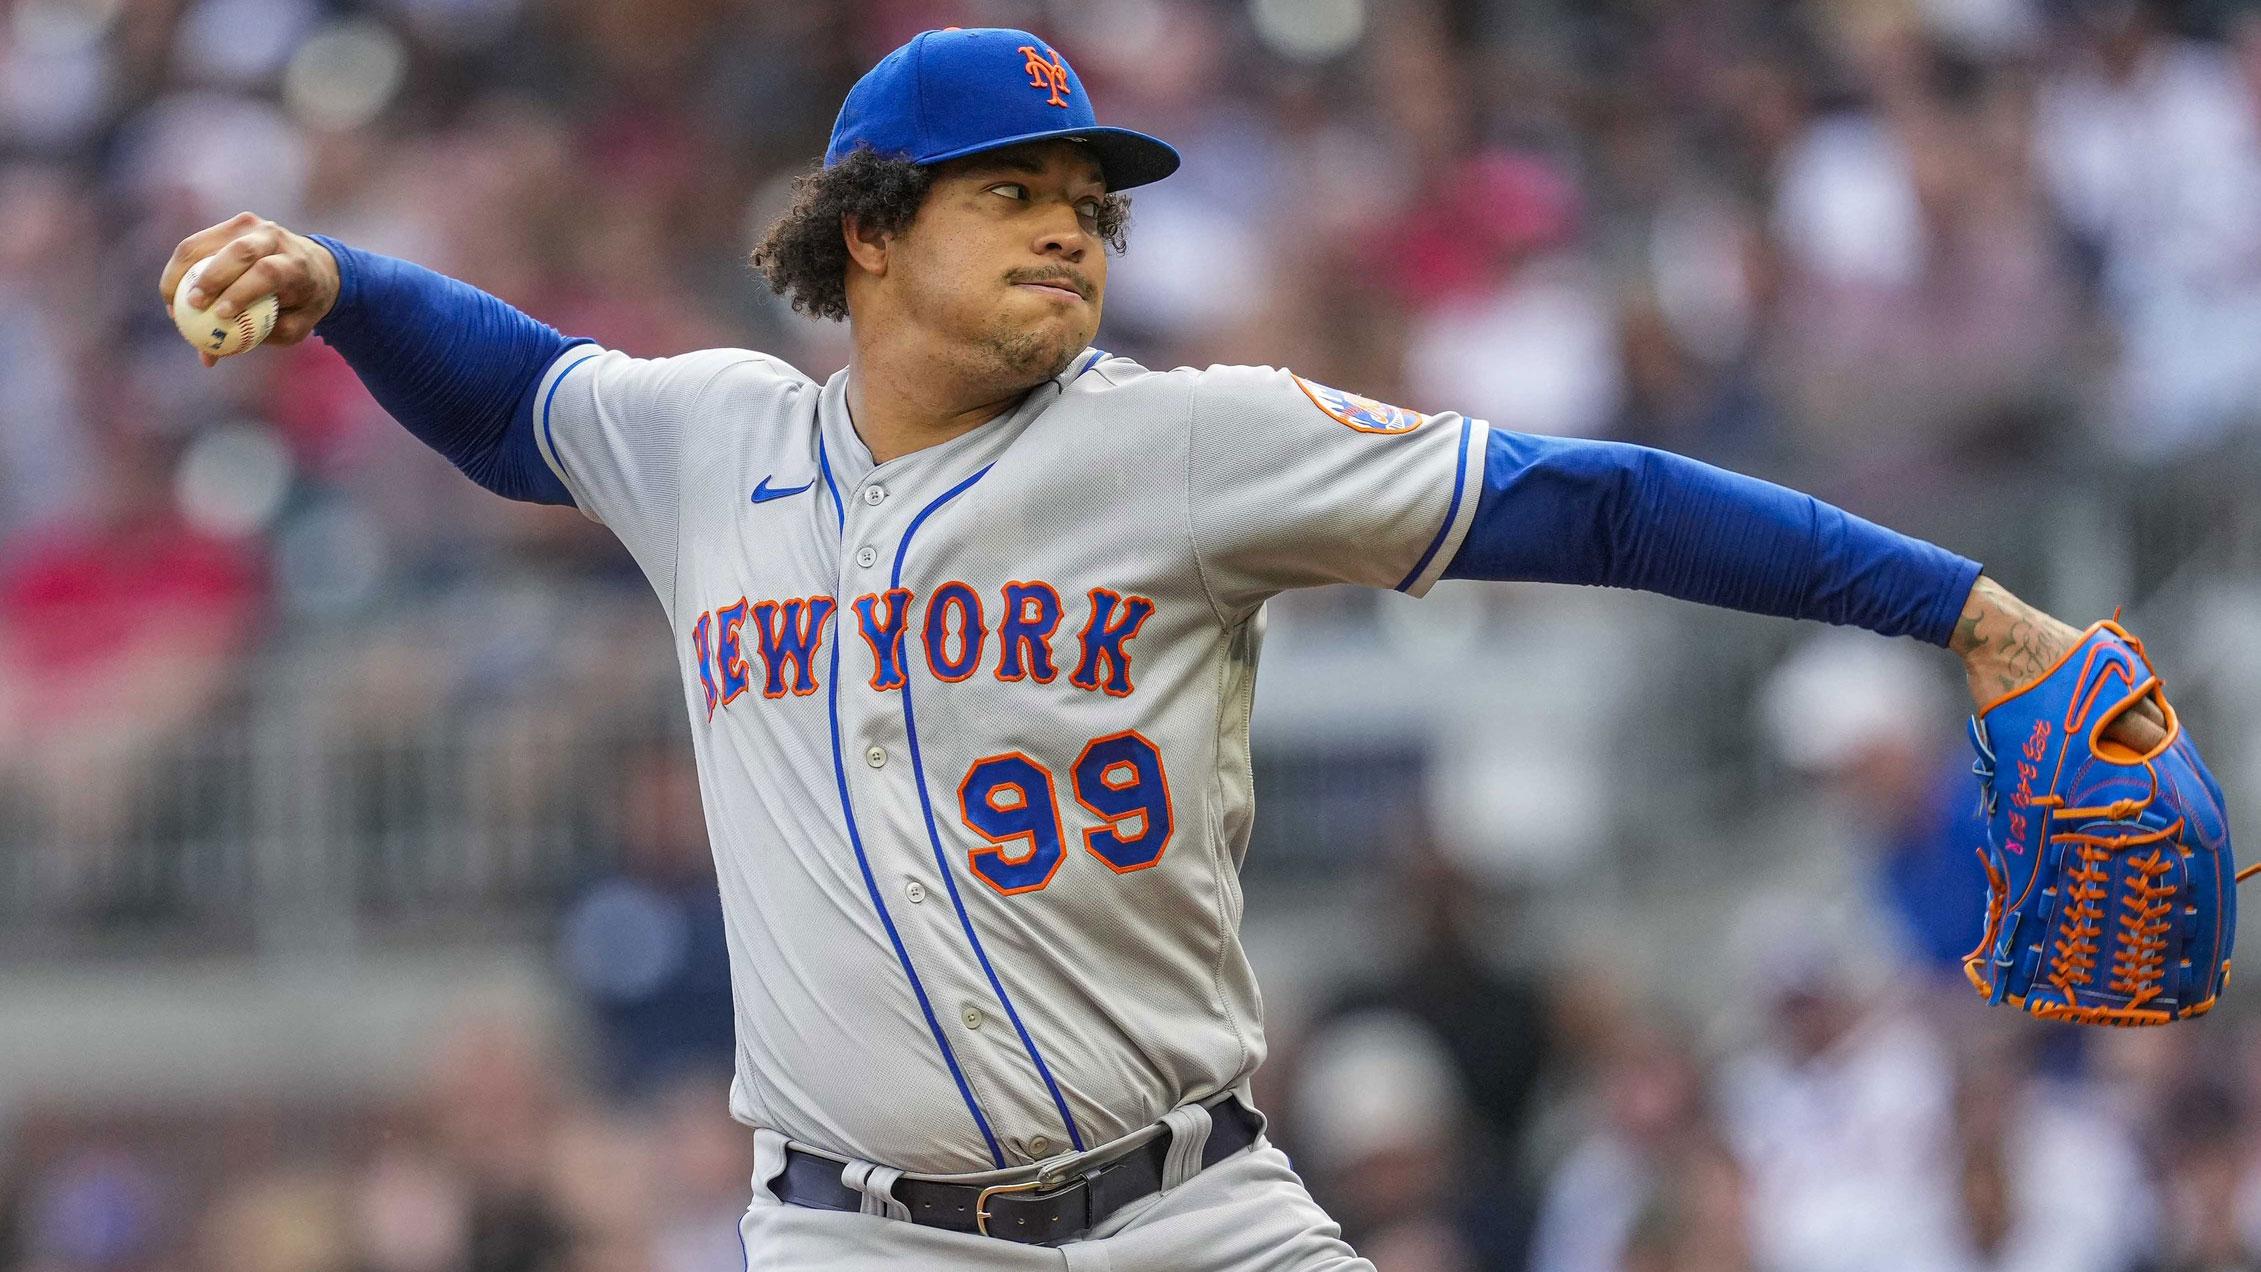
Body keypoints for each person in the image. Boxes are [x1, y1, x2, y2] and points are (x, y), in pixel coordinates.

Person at [155, 26, 2170, 1271]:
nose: (1072, 235)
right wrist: (338, 281)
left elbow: (1604, 496)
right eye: (1013, 195)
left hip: (1196, 1210)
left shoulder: (1191, 442)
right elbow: (518, 395)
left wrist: (1964, 605)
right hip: (859, 1240)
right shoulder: (713, 448)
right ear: (870, 234)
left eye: (1093, 208)